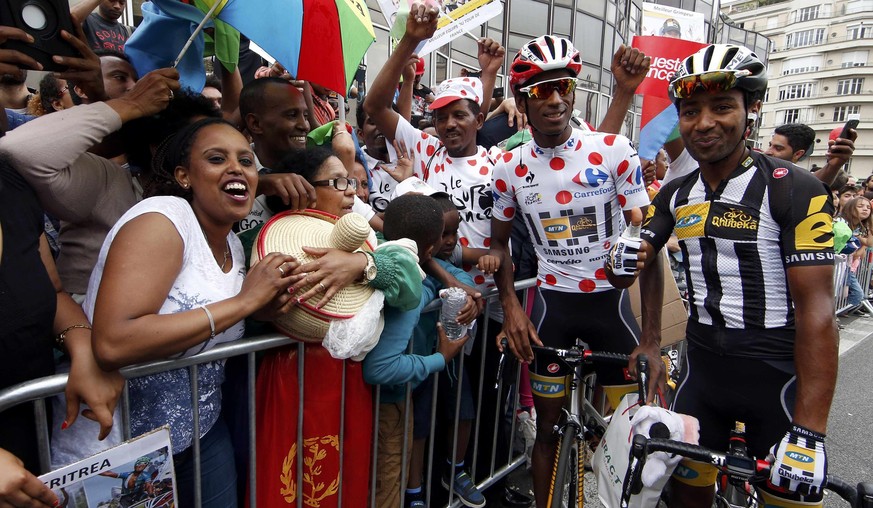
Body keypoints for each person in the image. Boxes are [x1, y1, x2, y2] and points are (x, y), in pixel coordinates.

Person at [610, 44, 836, 507]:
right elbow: (641, 260)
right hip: (704, 372)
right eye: (691, 111)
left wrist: (810, 430)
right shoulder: (675, 193)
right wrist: (647, 329)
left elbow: (818, 310)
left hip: (776, 377)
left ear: (751, 110)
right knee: (684, 498)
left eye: (722, 107)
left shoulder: (796, 188)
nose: (705, 123)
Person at [89, 118, 298, 507]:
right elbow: (113, 342)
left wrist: (265, 310)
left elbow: (220, 321)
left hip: (201, 434)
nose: (237, 169)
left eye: (247, 161)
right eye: (217, 159)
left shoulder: (234, 245)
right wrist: (244, 303)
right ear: (184, 175)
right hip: (121, 449)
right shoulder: (163, 219)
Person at [489, 34, 649, 508]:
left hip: (610, 307)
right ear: (521, 98)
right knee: (548, 435)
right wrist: (514, 309)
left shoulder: (615, 149)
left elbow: (644, 228)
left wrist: (654, 336)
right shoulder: (508, 167)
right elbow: (499, 245)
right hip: (552, 308)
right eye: (541, 91)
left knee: (628, 432)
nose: (555, 99)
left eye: (563, 87)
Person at [363, 193, 474, 507]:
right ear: (432, 246)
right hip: (390, 401)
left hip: (359, 399)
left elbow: (463, 282)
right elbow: (380, 368)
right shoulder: (410, 291)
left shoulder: (376, 253)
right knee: (387, 485)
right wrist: (440, 358)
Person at [404, 193, 493, 508]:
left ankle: (455, 471)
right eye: (443, 234)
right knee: (419, 424)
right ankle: (414, 492)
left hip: (451, 358)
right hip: (415, 360)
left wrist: (471, 300)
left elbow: (466, 283)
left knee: (463, 411)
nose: (451, 241)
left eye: (455, 233)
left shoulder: (449, 260)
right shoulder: (403, 263)